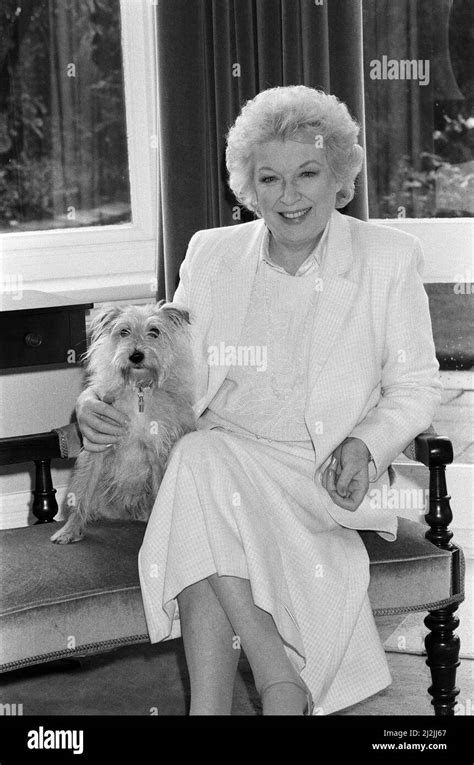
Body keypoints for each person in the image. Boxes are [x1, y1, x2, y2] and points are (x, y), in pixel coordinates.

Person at [76, 86, 442, 715]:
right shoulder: (211, 254)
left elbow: (415, 386)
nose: (289, 195)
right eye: (269, 178)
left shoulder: (388, 258)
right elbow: (154, 359)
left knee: (198, 470)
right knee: (203, 462)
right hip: (222, 459)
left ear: (341, 178)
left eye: (308, 173)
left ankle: (241, 699)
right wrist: (93, 406)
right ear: (249, 186)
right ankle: (277, 687)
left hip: (322, 471)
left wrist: (367, 443)